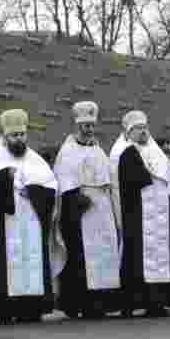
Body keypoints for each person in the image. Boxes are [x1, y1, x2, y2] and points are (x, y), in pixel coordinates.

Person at [0, 109, 63, 323]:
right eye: (14, 135)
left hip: (33, 222)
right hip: (7, 223)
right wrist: (5, 178)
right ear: (5, 137)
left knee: (32, 259)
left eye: (22, 135)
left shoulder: (36, 161)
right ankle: (7, 309)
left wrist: (34, 192)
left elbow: (51, 188)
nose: (19, 139)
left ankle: (33, 307)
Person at [110, 110, 170, 318]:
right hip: (137, 216)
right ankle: (133, 301)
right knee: (136, 257)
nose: (142, 132)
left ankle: (158, 302)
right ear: (128, 132)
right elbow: (128, 183)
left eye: (144, 128)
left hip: (159, 216)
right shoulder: (124, 152)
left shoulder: (158, 153)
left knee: (161, 256)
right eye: (137, 129)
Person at [52, 101, 121, 319]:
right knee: (81, 257)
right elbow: (64, 181)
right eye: (85, 126)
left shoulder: (99, 151)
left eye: (92, 125)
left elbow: (109, 179)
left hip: (102, 209)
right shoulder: (67, 151)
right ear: (77, 126)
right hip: (80, 212)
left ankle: (101, 302)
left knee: (103, 255)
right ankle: (79, 303)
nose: (89, 130)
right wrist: (76, 198)